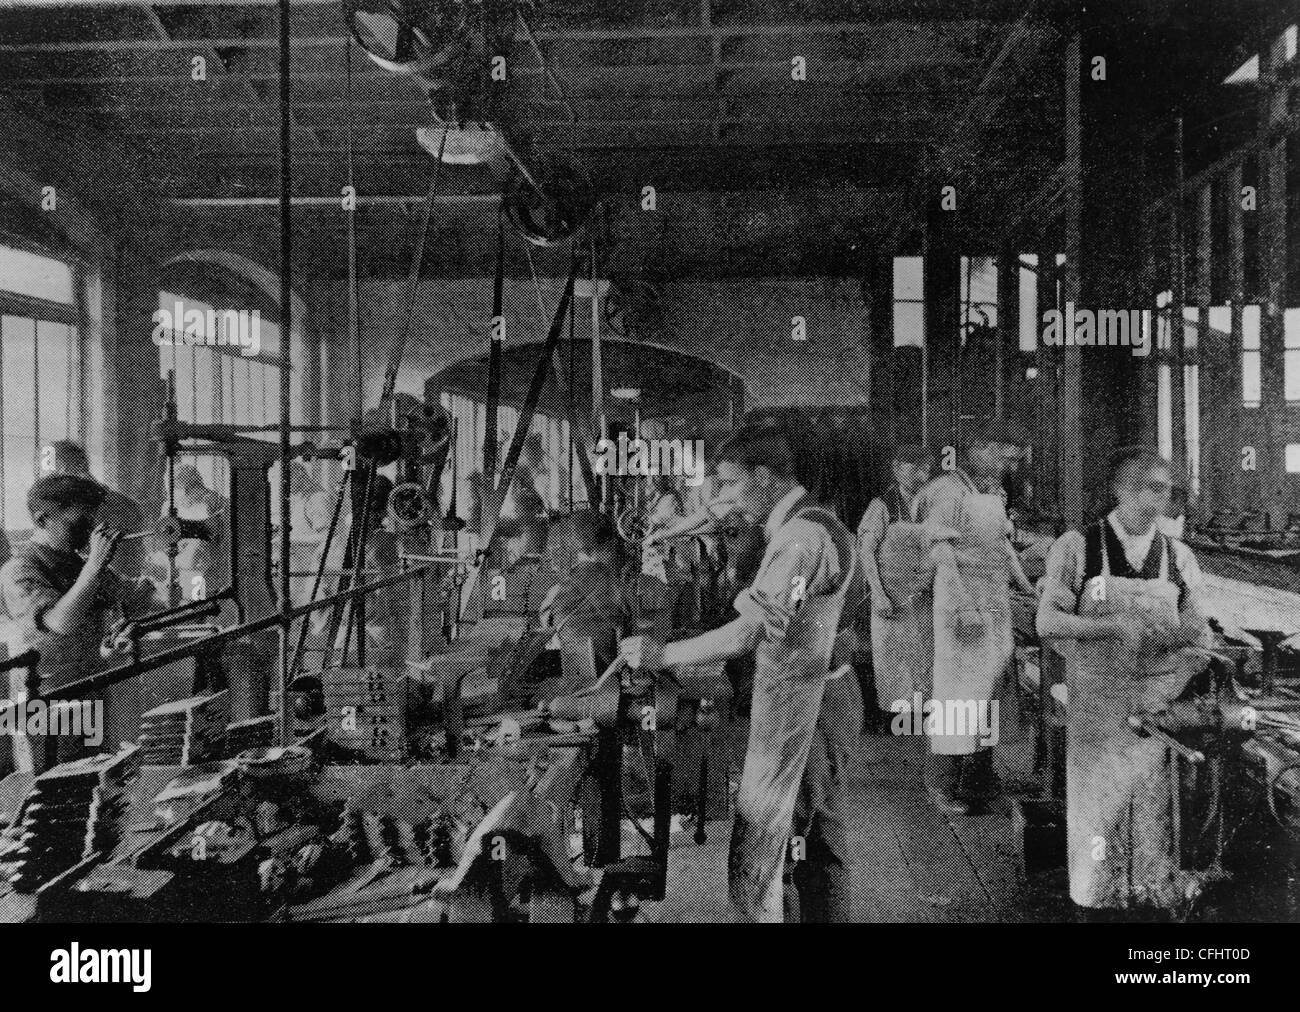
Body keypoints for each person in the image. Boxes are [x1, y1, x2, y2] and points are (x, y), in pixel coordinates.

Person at [620, 423, 863, 922]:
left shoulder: (800, 539)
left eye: (731, 484)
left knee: (765, 849)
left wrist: (659, 654)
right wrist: (675, 528)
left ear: (765, 477)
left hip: (808, 707)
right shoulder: (801, 516)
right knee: (816, 841)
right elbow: (718, 512)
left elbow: (747, 634)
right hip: (822, 696)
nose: (723, 499)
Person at [1036, 448, 1212, 921]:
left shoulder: (1177, 556)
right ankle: (1094, 906)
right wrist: (1111, 627)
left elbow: (1201, 626)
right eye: (1146, 489)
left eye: (1163, 490)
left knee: (1152, 814)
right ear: (1120, 490)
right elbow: (1047, 621)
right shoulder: (1078, 547)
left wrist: (1184, 638)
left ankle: (1150, 899)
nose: (1156, 501)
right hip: (1098, 706)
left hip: (1158, 710)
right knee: (1098, 816)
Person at [0, 474, 158, 771]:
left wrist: (148, 590)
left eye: (91, 524)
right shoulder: (19, 569)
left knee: (92, 777)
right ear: (43, 519)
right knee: (48, 788)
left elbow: (128, 599)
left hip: (88, 687)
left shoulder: (78, 564)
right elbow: (60, 622)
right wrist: (96, 565)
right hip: (42, 700)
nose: (88, 534)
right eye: (78, 524)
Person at [918, 424, 1036, 815]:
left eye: (1014, 460)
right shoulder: (948, 491)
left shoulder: (993, 492)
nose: (1008, 466)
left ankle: (980, 780)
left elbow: (1002, 545)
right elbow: (940, 554)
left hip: (994, 600)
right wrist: (964, 605)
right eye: (1003, 456)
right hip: (961, 604)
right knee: (956, 696)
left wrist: (1025, 586)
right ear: (980, 449)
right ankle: (942, 784)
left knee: (988, 694)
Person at [538, 509, 673, 685]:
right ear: (609, 544)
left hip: (569, 690)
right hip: (619, 691)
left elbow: (552, 641)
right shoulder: (646, 588)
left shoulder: (553, 594)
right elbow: (657, 650)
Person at [858, 444, 935, 731]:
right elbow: (866, 550)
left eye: (926, 470)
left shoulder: (930, 506)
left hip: (924, 598)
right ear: (897, 468)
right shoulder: (882, 506)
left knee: (925, 661)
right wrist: (878, 594)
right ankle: (894, 725)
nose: (922, 476)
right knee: (893, 663)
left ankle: (921, 724)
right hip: (891, 599)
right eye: (916, 469)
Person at [48, 440, 147, 582]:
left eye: (57, 473)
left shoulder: (82, 510)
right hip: (126, 586)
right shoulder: (128, 503)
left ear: (79, 467)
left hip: (104, 589)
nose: (52, 484)